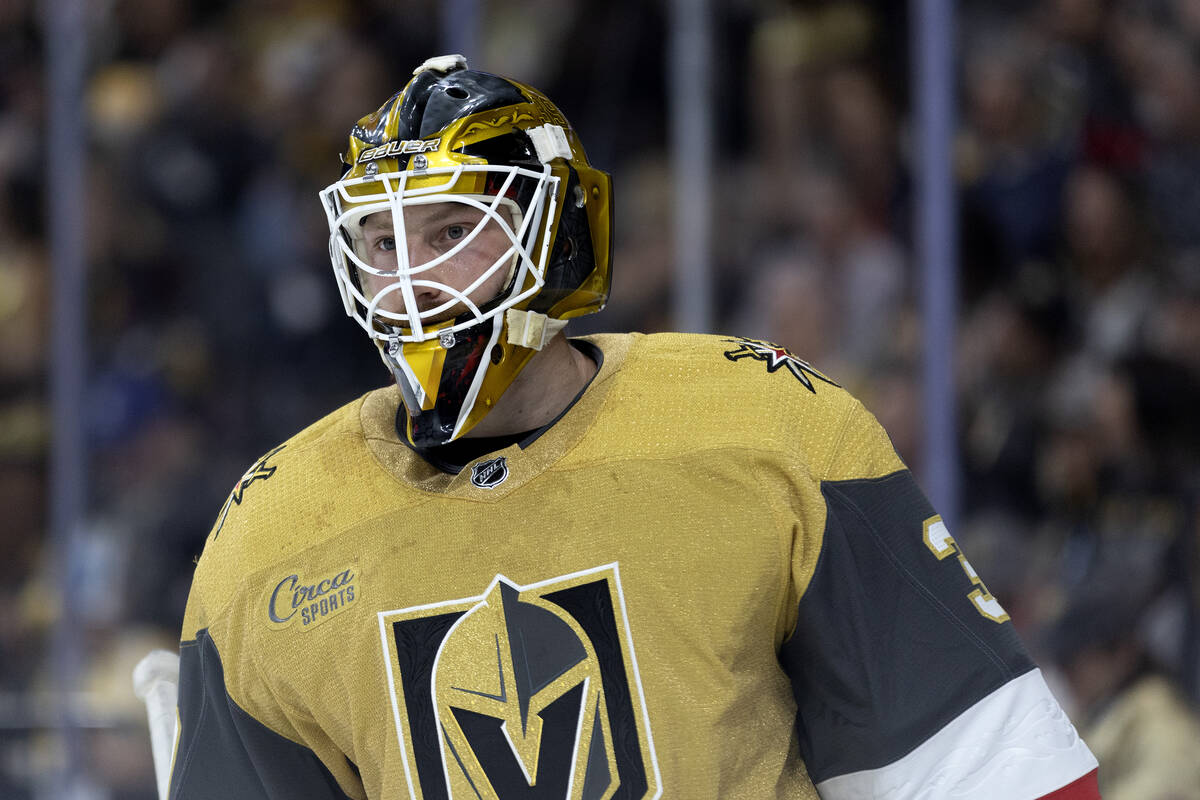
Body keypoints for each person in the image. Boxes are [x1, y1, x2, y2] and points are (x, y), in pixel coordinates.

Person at [168, 55, 1100, 799]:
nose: (411, 280)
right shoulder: (269, 537)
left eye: (452, 231)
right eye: (382, 242)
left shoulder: (764, 427)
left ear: (557, 232)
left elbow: (987, 769)